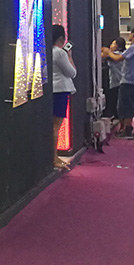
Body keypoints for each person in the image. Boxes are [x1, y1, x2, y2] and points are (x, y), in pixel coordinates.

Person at [50, 24, 75, 170]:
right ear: (61, 38)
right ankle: (54, 157)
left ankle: (53, 156)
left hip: (51, 90)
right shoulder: (60, 53)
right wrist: (69, 56)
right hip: (60, 91)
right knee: (56, 126)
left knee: (53, 125)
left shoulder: (48, 51)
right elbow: (72, 73)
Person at [101, 37, 127, 130]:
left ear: (118, 46)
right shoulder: (118, 54)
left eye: (113, 44)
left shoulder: (117, 55)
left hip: (118, 83)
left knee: (118, 105)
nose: (111, 45)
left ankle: (123, 126)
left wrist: (106, 51)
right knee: (117, 105)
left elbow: (103, 55)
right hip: (117, 82)